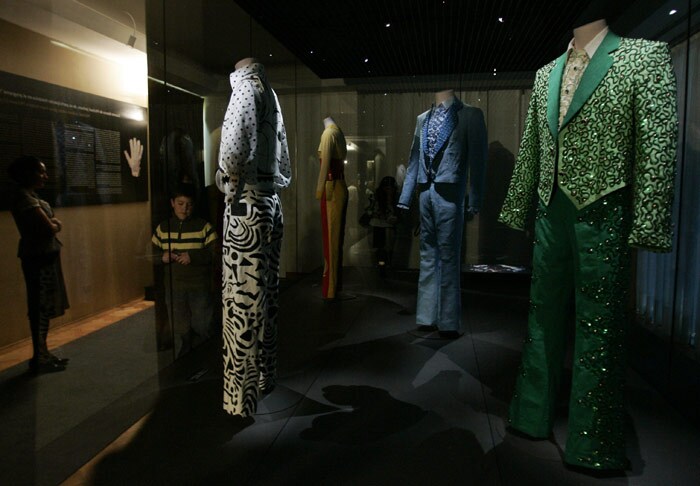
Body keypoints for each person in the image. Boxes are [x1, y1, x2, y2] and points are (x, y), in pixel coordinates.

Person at [499, 17, 678, 472]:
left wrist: (648, 221)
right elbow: (534, 145)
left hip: (605, 209)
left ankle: (593, 440)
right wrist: (521, 205)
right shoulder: (545, 73)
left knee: (601, 328)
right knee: (542, 314)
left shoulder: (643, 56)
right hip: (549, 209)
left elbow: (658, 143)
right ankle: (531, 413)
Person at [217, 57, 291, 417]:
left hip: (247, 203)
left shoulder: (246, 86)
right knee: (266, 297)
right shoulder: (271, 92)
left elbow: (233, 152)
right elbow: (285, 164)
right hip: (270, 202)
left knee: (241, 306)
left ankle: (240, 402)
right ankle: (265, 378)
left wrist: (230, 189)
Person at [397, 89, 488, 339]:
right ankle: (426, 317)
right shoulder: (422, 118)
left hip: (450, 192)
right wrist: (406, 198)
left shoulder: (470, 115)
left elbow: (479, 160)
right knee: (427, 254)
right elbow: (414, 159)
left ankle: (448, 321)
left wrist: (475, 198)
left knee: (449, 257)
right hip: (426, 192)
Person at [8, 155, 69, 373]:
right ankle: (39, 356)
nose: (45, 176)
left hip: (43, 255)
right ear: (27, 174)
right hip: (38, 256)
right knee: (40, 307)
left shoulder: (28, 196)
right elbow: (48, 228)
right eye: (40, 172)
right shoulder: (24, 198)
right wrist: (55, 224)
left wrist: (53, 224)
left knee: (43, 306)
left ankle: (42, 353)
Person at [152, 183, 217, 357]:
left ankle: (204, 348)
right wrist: (162, 257)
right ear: (172, 203)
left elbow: (215, 252)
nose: (184, 208)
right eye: (180, 203)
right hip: (174, 284)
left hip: (199, 284)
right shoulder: (163, 228)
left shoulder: (204, 227)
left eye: (189, 204)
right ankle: (186, 345)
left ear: (194, 205)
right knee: (179, 317)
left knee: (202, 317)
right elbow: (151, 252)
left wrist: (193, 257)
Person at [316, 116, 348, 299]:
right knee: (335, 239)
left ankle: (331, 288)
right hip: (338, 186)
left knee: (331, 240)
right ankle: (335, 285)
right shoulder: (338, 132)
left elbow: (325, 164)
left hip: (331, 188)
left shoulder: (329, 133)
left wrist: (319, 190)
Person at [369, 175, 399, 272]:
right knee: (381, 248)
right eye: (387, 188)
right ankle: (382, 265)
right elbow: (369, 209)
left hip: (387, 225)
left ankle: (385, 265)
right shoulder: (377, 196)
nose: (389, 191)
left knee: (387, 247)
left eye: (390, 189)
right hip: (379, 225)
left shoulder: (395, 197)